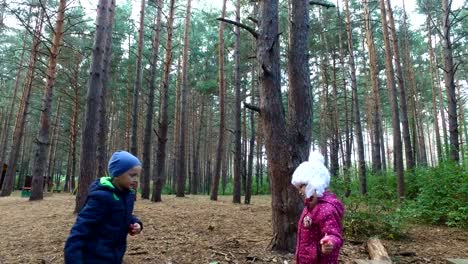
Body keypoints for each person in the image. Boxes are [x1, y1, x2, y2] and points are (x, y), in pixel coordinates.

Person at [64, 150, 143, 263]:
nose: (136, 180)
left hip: (115, 256)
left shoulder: (128, 195)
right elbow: (79, 231)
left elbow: (124, 214)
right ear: (117, 174)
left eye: (137, 176)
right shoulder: (101, 197)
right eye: (132, 175)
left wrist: (136, 223)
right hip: (94, 258)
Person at [291, 150, 344, 264]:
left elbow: (335, 234)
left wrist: (330, 242)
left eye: (302, 186)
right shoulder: (310, 206)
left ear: (314, 183)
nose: (300, 191)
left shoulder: (326, 209)